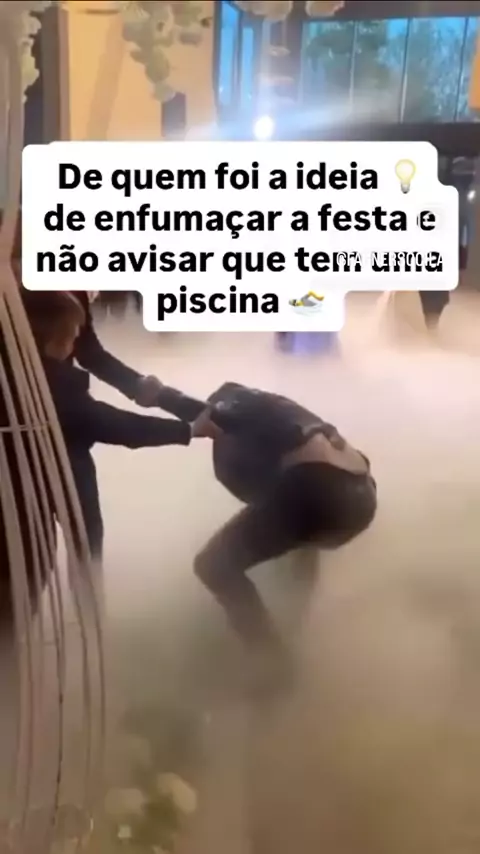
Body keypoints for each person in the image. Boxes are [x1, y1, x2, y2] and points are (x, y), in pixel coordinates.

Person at [150, 381, 377, 662]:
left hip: (315, 489)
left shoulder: (240, 404)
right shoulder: (296, 419)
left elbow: (211, 413)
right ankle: (298, 628)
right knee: (303, 545)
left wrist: (161, 395)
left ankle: (271, 662)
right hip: (361, 499)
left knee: (212, 564)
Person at [22, 291, 216, 561]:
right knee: (34, 540)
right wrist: (187, 431)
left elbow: (90, 353)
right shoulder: (62, 392)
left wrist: (145, 390)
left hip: (63, 432)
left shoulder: (70, 301)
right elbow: (110, 424)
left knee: (83, 532)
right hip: (35, 434)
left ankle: (82, 581)